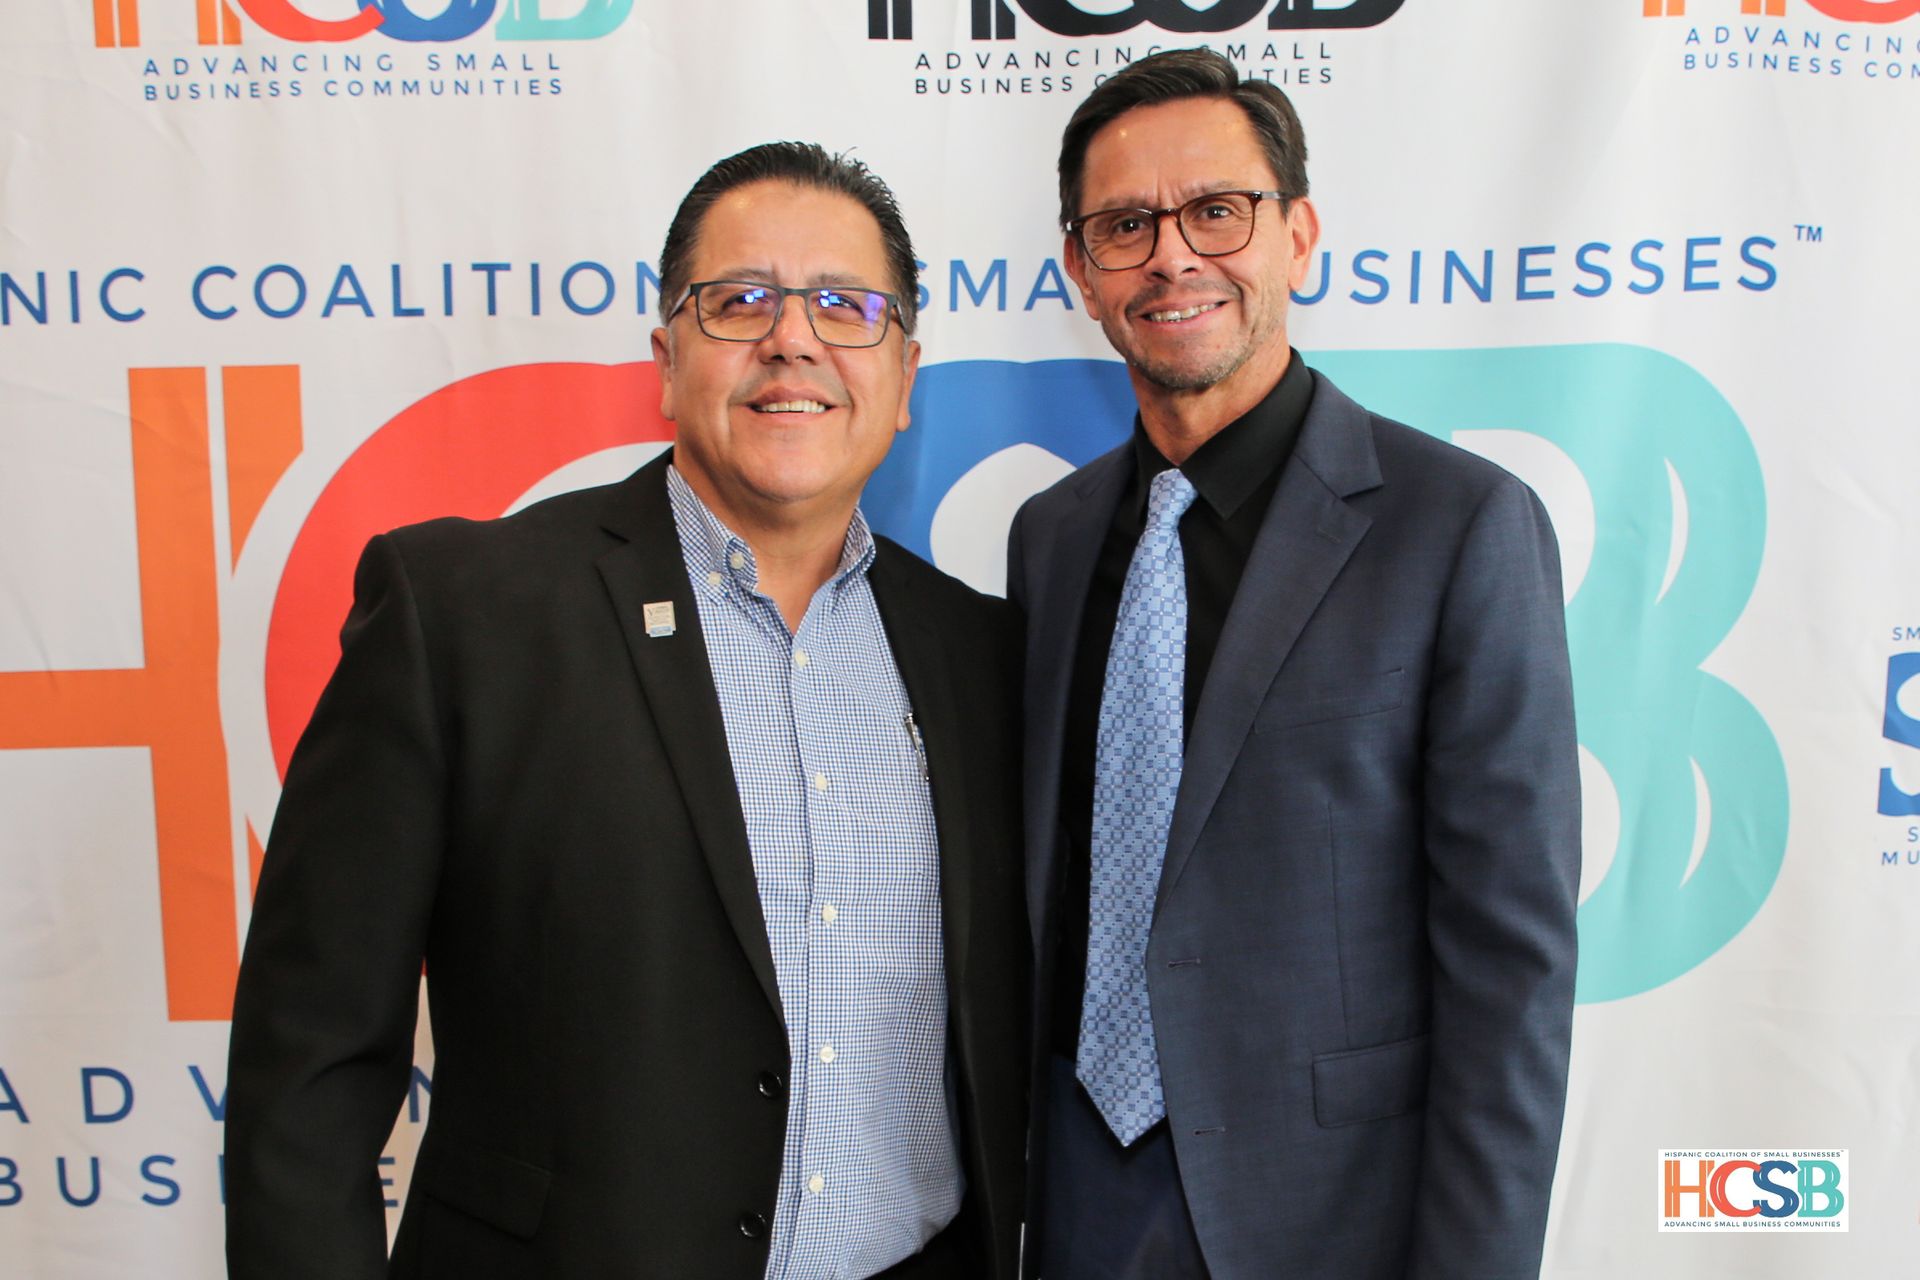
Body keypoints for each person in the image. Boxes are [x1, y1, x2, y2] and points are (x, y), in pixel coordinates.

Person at [226, 142, 1027, 1280]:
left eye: (845, 306)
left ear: (903, 376)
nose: (791, 338)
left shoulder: (981, 652)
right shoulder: (460, 614)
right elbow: (307, 1066)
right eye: (739, 299)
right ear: (666, 358)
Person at [1006, 48, 1580, 1280]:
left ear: (1297, 234)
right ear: (1081, 272)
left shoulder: (1459, 524)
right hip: (1067, 1198)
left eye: (1218, 210)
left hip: (1327, 1219)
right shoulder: (1049, 539)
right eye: (1124, 226)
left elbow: (1510, 969)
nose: (1173, 255)